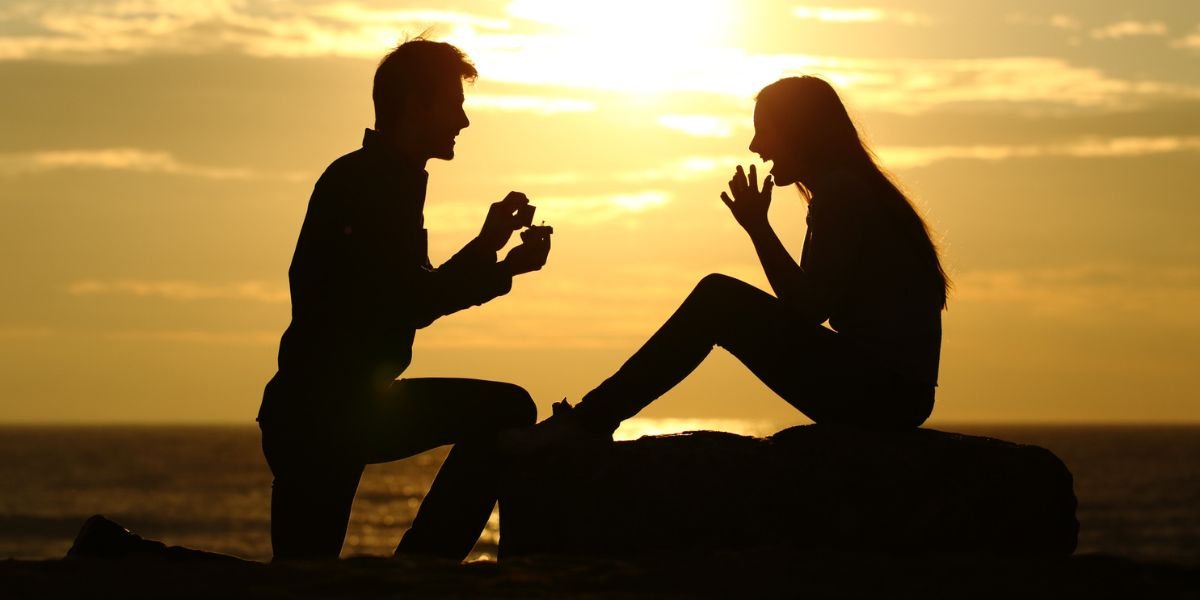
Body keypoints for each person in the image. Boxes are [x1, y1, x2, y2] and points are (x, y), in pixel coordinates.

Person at [529, 75, 949, 443]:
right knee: (718, 299)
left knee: (718, 299)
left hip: (884, 393)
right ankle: (594, 416)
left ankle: (591, 420)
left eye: (764, 131)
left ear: (799, 132)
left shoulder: (842, 191)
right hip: (893, 394)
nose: (755, 146)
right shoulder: (849, 188)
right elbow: (811, 305)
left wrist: (758, 228)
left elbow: (808, 309)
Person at [258, 39, 552, 561]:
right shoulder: (371, 182)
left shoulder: (385, 179)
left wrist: (490, 248)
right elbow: (413, 300)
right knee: (507, 408)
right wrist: (500, 264)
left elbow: (410, 290)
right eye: (454, 104)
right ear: (417, 104)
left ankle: (419, 568)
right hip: (327, 413)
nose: (463, 121)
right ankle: (422, 568)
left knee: (300, 576)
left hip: (336, 408)